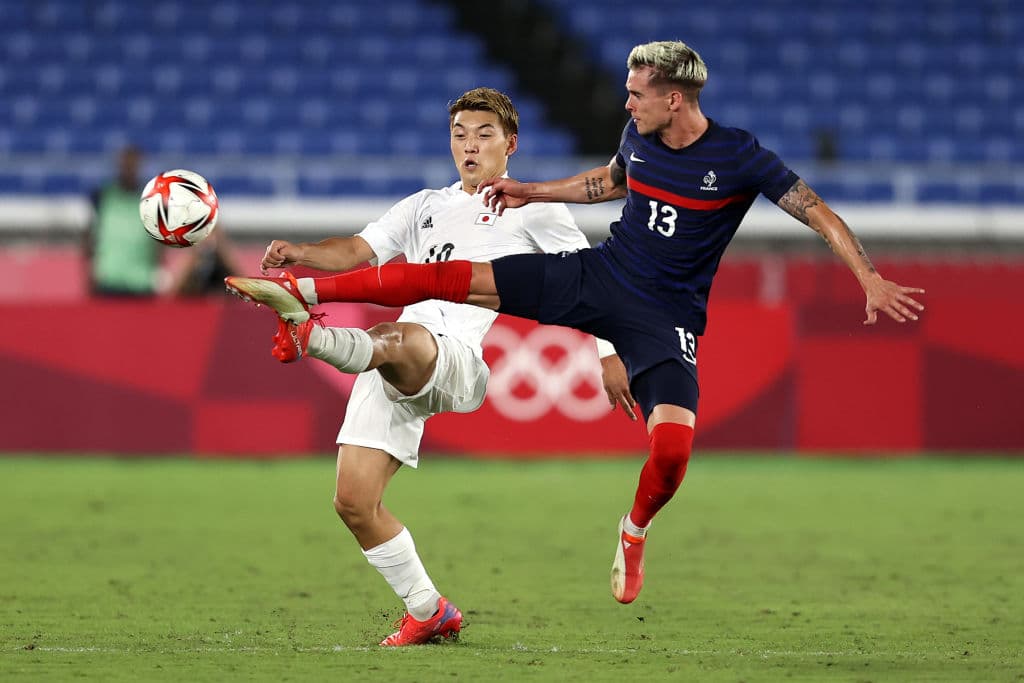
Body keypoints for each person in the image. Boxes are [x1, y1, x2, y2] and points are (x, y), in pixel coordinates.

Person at [226, 41, 926, 606]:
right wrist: (532, 187)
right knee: (453, 294)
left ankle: (633, 528)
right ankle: (304, 301)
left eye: (637, 90)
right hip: (601, 278)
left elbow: (816, 210)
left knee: (674, 452)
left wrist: (865, 274)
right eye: (458, 134)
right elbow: (609, 181)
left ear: (673, 98)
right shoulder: (624, 140)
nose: (625, 99)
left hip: (660, 315)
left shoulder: (738, 156)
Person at [227, 88, 603, 645]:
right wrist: (300, 252)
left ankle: (312, 334)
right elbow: (357, 250)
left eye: (483, 135)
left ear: (510, 145)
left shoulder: (536, 207)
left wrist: (610, 352)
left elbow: (589, 278)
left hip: (453, 354)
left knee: (396, 335)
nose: (469, 146)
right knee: (354, 502)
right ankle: (429, 610)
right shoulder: (425, 204)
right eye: (459, 135)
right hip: (391, 360)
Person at [85, 145, 160, 296]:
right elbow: (90, 239)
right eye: (126, 164)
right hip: (108, 283)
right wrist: (89, 276)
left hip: (141, 284)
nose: (129, 169)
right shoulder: (103, 197)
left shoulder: (151, 201)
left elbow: (158, 246)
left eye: (133, 165)